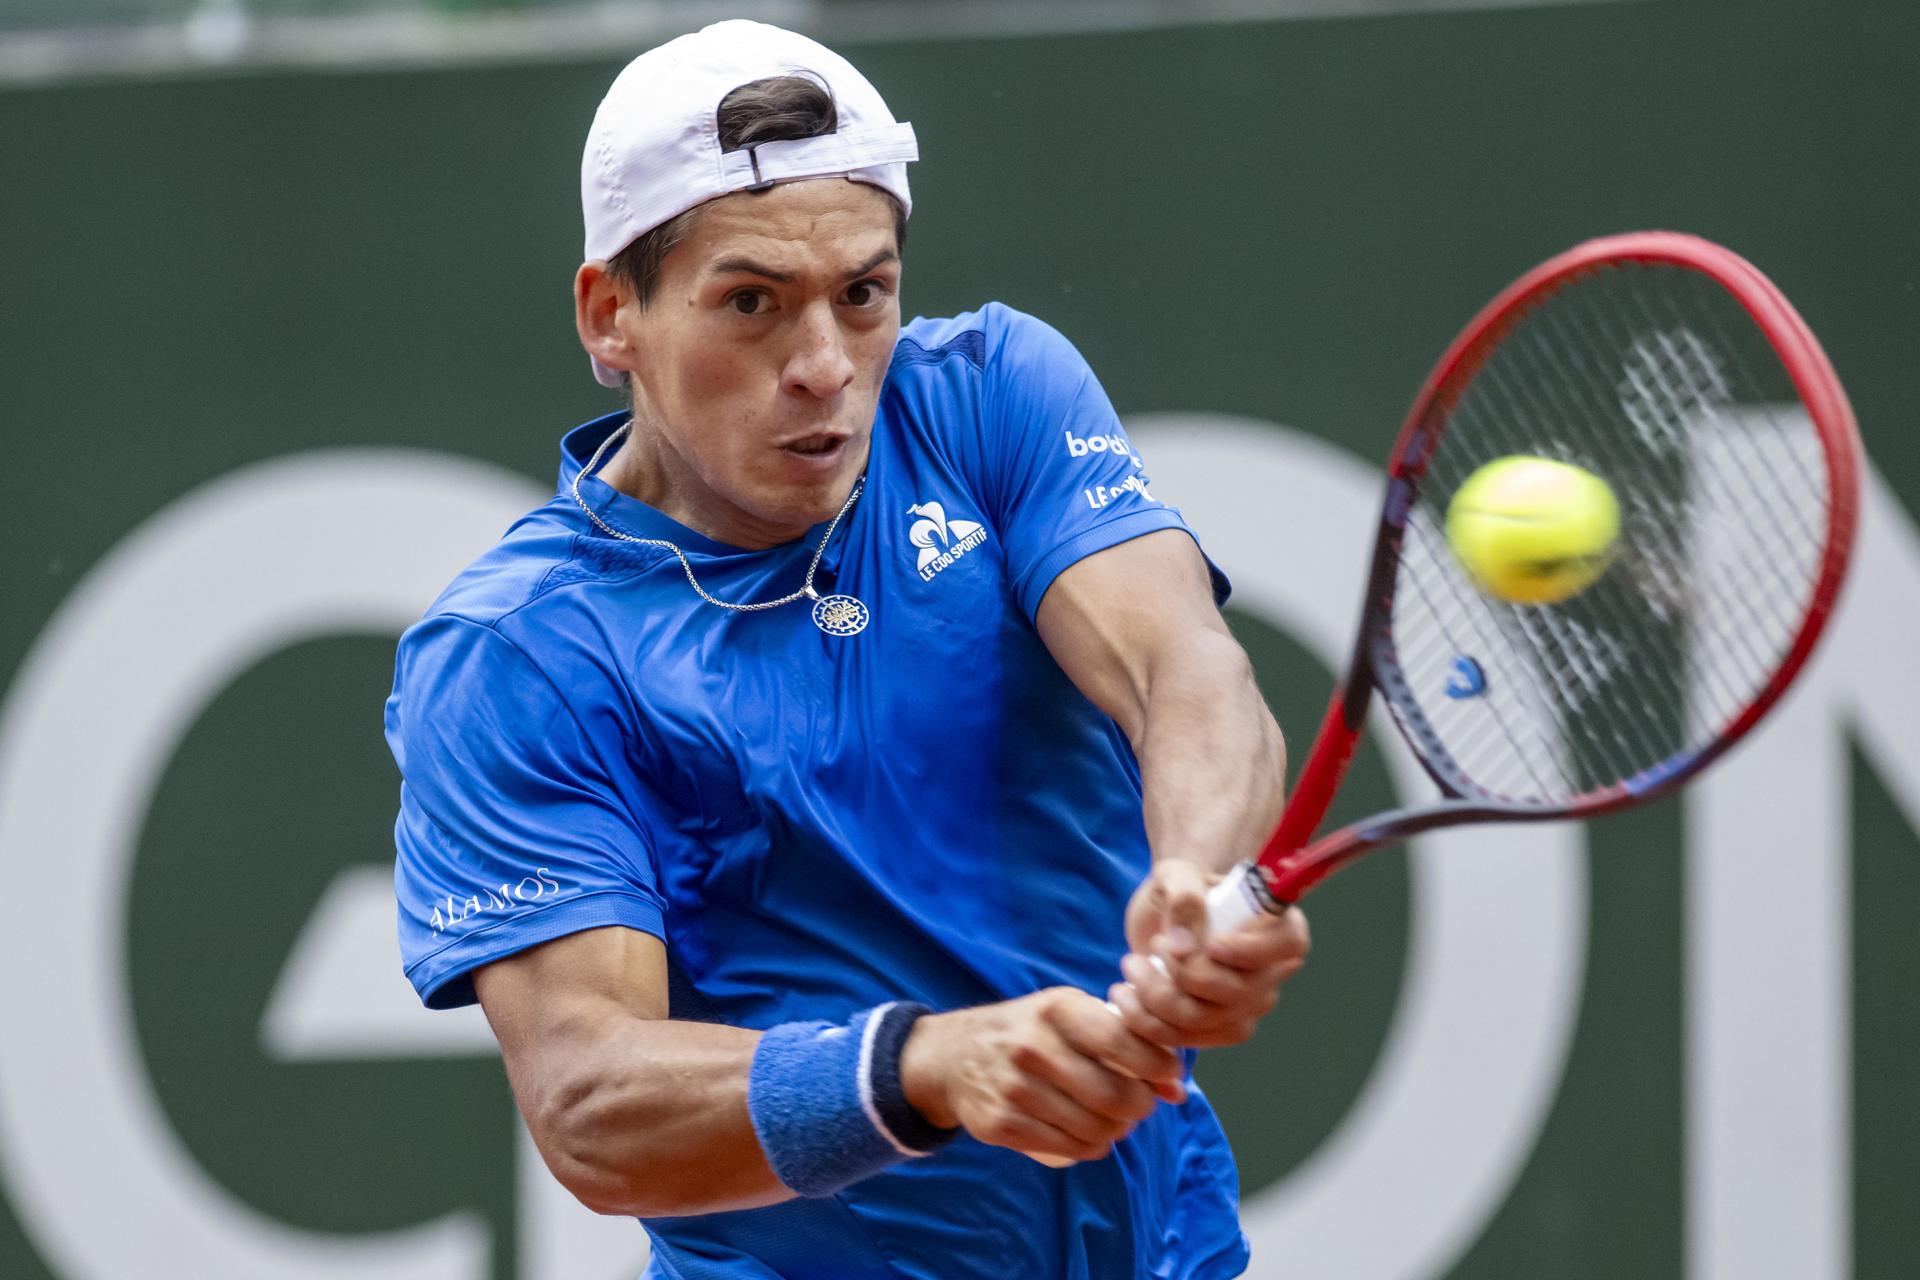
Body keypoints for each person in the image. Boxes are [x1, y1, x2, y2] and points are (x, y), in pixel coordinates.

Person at [386, 19, 1310, 1279]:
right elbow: (592, 1100)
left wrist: (1197, 881)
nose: (823, 366)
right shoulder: (520, 655)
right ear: (613, 316)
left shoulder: (992, 391)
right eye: (752, 302)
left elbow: (1186, 673)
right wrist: (923, 1066)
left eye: (862, 294)